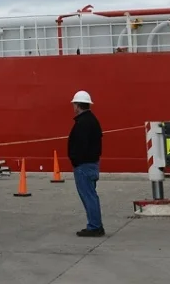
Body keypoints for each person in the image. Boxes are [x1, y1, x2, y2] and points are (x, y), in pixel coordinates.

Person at [68, 90, 104, 237]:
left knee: (89, 196)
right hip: (91, 164)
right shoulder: (92, 120)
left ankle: (95, 226)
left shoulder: (83, 123)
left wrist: (75, 161)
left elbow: (81, 145)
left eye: (74, 104)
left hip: (84, 166)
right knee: (91, 196)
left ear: (77, 105)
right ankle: (95, 224)